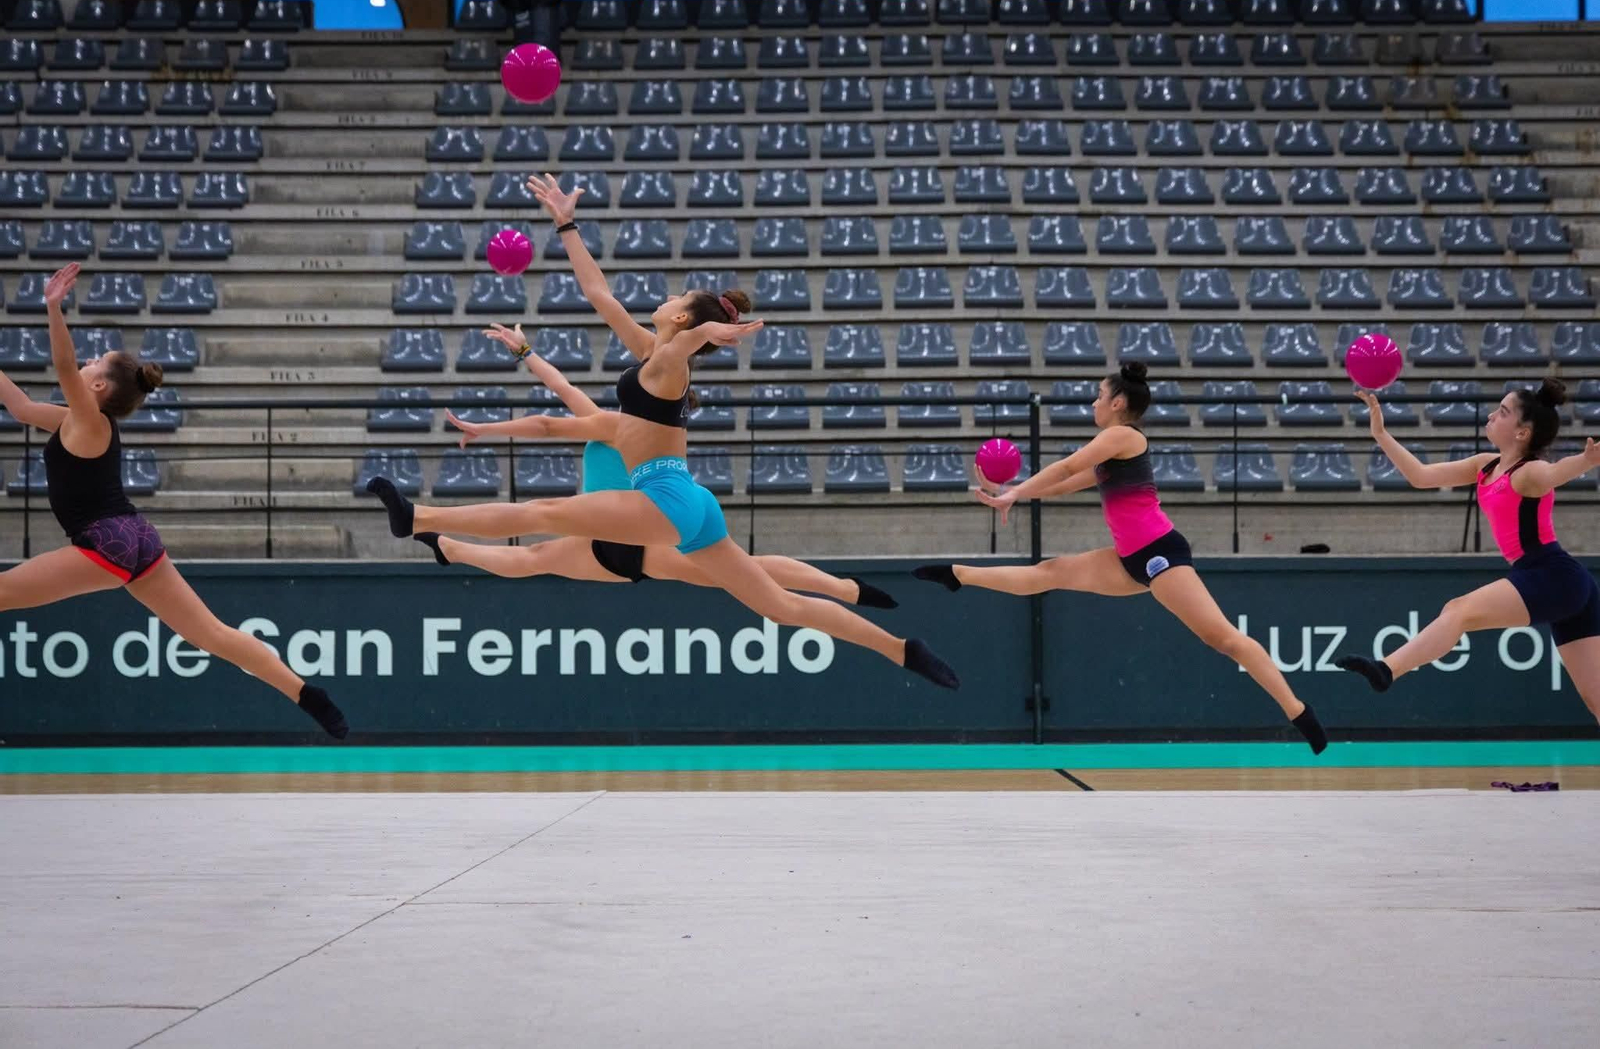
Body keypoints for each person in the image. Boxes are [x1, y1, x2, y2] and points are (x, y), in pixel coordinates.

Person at [366, 175, 958, 689]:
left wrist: (711, 335)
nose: (666, 296)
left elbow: (688, 345)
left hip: (664, 501)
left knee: (543, 513)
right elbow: (598, 294)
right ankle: (903, 649)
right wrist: (567, 227)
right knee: (778, 605)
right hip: (689, 503)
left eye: (677, 298)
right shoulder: (651, 354)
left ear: (679, 318)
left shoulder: (671, 361)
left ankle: (420, 520)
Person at [0, 264, 348, 737]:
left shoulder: (88, 419)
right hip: (135, 537)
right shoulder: (74, 420)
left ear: (98, 387)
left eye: (94, 362)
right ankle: (305, 693)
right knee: (212, 634)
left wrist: (53, 307)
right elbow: (18, 406)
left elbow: (63, 366)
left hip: (105, 541)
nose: (86, 364)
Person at [912, 363, 1327, 752]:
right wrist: (1013, 496)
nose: (1093, 403)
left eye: (1098, 395)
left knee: (1221, 638)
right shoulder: (1113, 450)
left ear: (1118, 403)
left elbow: (1066, 465)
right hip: (1130, 558)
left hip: (1159, 553)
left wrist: (1016, 492)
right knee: (1048, 572)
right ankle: (958, 574)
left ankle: (1298, 710)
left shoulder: (1123, 436)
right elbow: (1067, 482)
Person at [416, 323, 897, 611]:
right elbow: (559, 389)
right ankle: (845, 588)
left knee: (530, 559)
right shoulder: (628, 427)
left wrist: (508, 384)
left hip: (619, 539)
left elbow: (557, 399)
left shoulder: (610, 425)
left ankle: (453, 548)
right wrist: (524, 353)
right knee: (745, 568)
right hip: (637, 543)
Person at [1337, 382, 1599, 721]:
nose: (1492, 414)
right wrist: (1381, 433)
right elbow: (1420, 476)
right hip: (1560, 581)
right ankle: (1387, 669)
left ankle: (1386, 669)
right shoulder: (1486, 465)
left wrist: (1586, 461)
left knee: (1457, 610)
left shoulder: (1529, 472)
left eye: (1503, 412)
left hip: (1551, 575)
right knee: (1595, 699)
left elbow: (1555, 473)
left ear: (1522, 433)